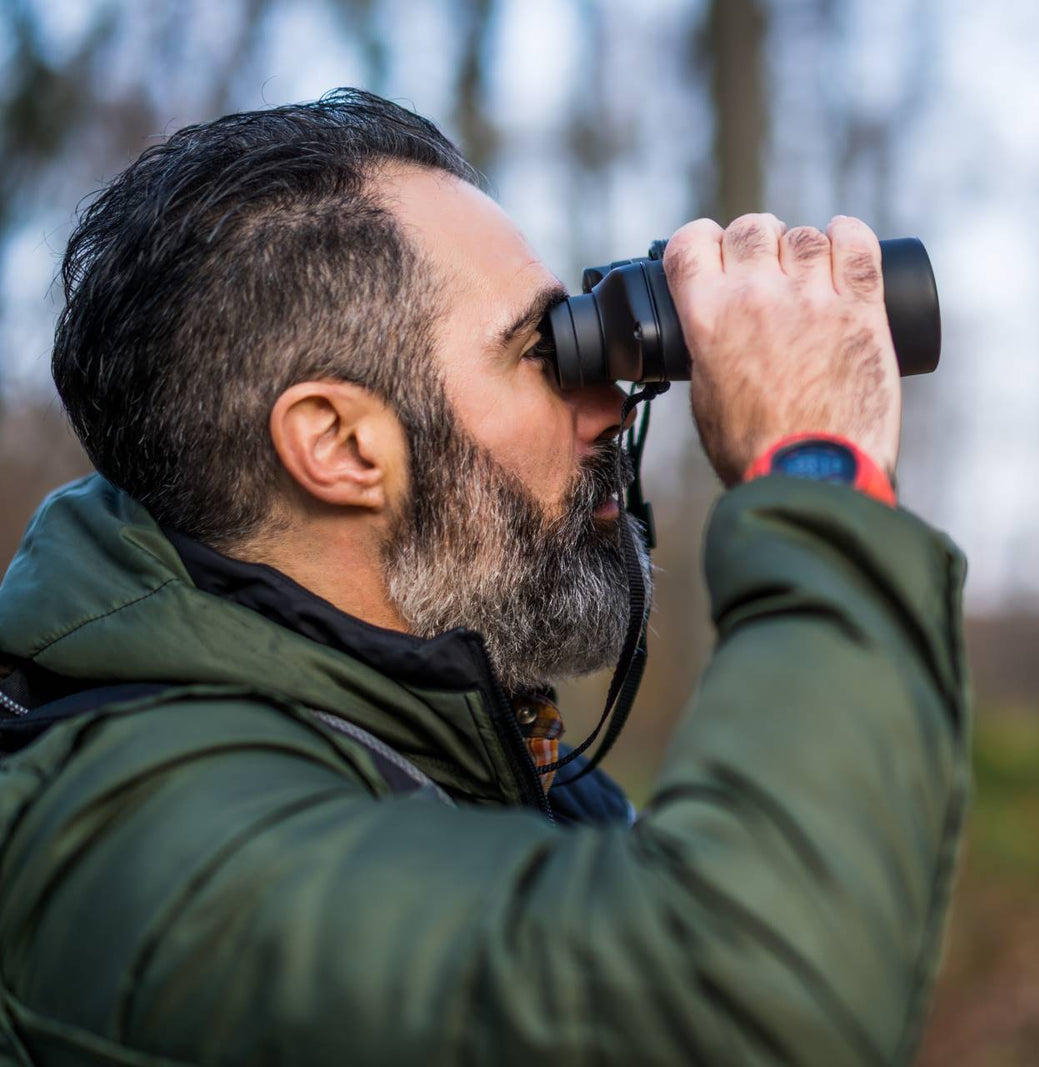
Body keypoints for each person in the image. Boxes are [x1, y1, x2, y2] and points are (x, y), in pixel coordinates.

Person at [0, 88, 968, 1066]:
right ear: (339, 444)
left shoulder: (490, 761)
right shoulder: (152, 857)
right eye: (544, 351)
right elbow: (755, 1000)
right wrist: (814, 466)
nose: (615, 398)